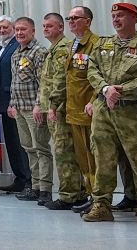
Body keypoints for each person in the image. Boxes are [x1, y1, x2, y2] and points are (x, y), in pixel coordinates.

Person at [83, 3, 137, 225]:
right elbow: (92, 70)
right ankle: (101, 205)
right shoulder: (102, 44)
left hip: (132, 111)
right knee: (103, 158)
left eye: (121, 16)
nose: (116, 20)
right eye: (114, 16)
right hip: (103, 109)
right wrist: (106, 89)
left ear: (134, 18)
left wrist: (120, 91)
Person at [51, 6, 99, 214]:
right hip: (73, 111)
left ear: (87, 21)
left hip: (88, 112)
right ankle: (91, 196)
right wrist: (55, 104)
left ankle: (99, 199)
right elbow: (67, 79)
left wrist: (94, 101)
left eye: (75, 18)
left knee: (94, 158)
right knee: (83, 160)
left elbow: (100, 77)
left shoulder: (96, 44)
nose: (71, 21)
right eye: (69, 18)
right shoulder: (73, 46)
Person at [40, 13, 85, 212]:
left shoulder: (63, 49)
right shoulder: (53, 49)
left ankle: (70, 196)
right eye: (44, 26)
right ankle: (75, 192)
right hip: (53, 108)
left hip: (60, 109)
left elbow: (61, 81)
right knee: (62, 151)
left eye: (50, 26)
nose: (45, 29)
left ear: (60, 27)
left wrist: (53, 106)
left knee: (64, 152)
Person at [6, 17, 51, 205]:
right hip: (20, 108)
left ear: (33, 31)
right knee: (29, 148)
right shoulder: (16, 53)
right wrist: (12, 104)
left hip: (34, 109)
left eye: (23, 29)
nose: (19, 33)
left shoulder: (39, 51)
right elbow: (15, 82)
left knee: (41, 148)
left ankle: (46, 190)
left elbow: (44, 82)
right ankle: (35, 186)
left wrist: (39, 105)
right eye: (17, 29)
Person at [0, 16, 31, 194]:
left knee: (21, 143)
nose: (2, 30)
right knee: (11, 143)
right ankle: (20, 178)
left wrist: (12, 102)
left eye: (5, 27)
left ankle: (28, 181)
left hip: (15, 102)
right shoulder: (2, 47)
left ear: (13, 28)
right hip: (4, 103)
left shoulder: (16, 46)